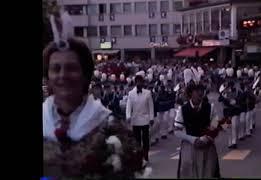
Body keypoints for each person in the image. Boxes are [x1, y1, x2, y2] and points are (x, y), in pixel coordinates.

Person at [43, 37, 148, 179]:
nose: (63, 75)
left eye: (71, 68)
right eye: (56, 69)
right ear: (47, 77)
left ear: (85, 75)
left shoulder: (112, 130)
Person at [174, 84, 223, 178]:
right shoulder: (183, 109)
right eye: (197, 91)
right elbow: (177, 131)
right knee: (188, 172)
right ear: (190, 93)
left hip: (207, 146)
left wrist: (207, 138)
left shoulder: (210, 108)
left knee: (208, 172)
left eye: (202, 90)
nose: (200, 93)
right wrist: (193, 139)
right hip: (189, 146)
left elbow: (215, 126)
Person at [126, 75, 155, 163]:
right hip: (135, 120)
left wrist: (151, 117)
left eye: (140, 81)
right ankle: (139, 157)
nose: (139, 83)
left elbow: (151, 106)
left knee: (145, 139)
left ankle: (146, 156)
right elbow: (128, 106)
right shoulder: (131, 93)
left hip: (145, 119)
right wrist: (128, 116)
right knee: (137, 140)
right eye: (137, 81)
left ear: (143, 83)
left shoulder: (148, 93)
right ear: (135, 83)